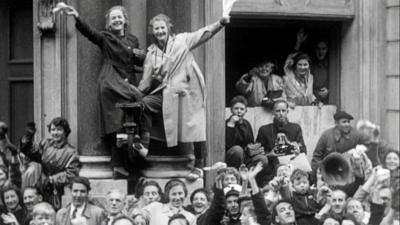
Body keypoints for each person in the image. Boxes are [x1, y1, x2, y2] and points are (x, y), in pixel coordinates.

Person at [138, 13, 229, 179]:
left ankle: (199, 165)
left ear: (168, 28)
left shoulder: (182, 40)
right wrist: (133, 93)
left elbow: (203, 34)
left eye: (162, 28)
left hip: (189, 91)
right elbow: (145, 81)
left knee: (196, 126)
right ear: (153, 31)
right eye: (156, 29)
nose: (159, 31)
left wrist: (220, 24)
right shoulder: (152, 53)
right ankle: (145, 145)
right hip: (169, 94)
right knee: (144, 103)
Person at [57, 4, 145, 172]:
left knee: (131, 121)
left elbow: (135, 61)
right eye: (114, 18)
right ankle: (119, 164)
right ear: (109, 24)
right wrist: (77, 16)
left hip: (128, 81)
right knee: (117, 122)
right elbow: (90, 33)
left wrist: (141, 56)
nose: (117, 20)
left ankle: (124, 164)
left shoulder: (133, 39)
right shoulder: (105, 37)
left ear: (125, 20)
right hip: (111, 83)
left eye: (120, 17)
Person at [19, 118, 80, 210]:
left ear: (65, 131)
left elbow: (71, 174)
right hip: (40, 185)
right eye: (53, 130)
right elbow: (32, 153)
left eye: (59, 129)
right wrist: (28, 137)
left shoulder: (71, 152)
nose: (55, 133)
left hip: (56, 189)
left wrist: (53, 179)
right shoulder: (45, 144)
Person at [311, 111, 369, 190]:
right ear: (336, 123)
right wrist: (318, 176)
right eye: (344, 122)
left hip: (350, 176)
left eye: (348, 122)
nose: (347, 124)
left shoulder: (356, 135)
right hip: (330, 174)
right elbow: (317, 156)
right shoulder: (326, 135)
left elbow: (367, 150)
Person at [256, 100, 306, 183]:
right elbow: (257, 154)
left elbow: (303, 149)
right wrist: (269, 154)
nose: (281, 113)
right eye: (278, 111)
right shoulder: (264, 130)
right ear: (273, 112)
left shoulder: (296, 128)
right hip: (271, 168)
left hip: (291, 167)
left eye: (283, 111)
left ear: (287, 112)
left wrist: (296, 148)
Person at [294, 29, 330, 104]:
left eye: (323, 49)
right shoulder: (309, 64)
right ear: (314, 49)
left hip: (327, 102)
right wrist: (298, 44)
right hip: (309, 102)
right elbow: (294, 60)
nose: (321, 52)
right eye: (318, 49)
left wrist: (329, 91)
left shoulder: (332, 65)